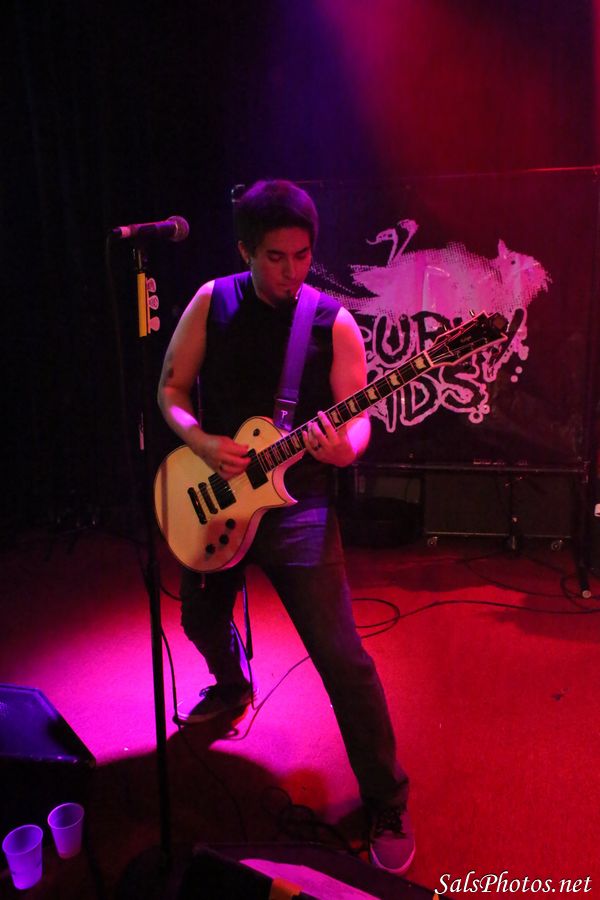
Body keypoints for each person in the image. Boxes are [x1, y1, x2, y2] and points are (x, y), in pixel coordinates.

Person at [157, 179, 414, 875]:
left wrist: (343, 448)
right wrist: (203, 443)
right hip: (216, 496)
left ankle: (388, 799)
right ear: (245, 250)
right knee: (198, 619)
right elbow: (171, 391)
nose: (291, 272)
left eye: (302, 256)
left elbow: (357, 418)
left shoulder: (333, 322)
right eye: (275, 257)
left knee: (342, 659)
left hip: (299, 509)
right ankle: (232, 680)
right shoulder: (212, 302)